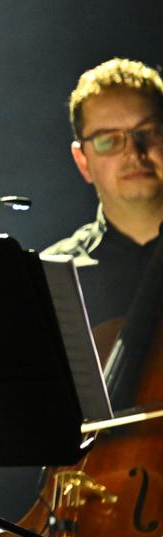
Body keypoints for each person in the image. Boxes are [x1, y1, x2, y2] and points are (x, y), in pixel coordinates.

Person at [43, 57, 163, 403]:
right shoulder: (52, 276)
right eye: (109, 140)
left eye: (149, 132)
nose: (134, 153)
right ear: (83, 162)